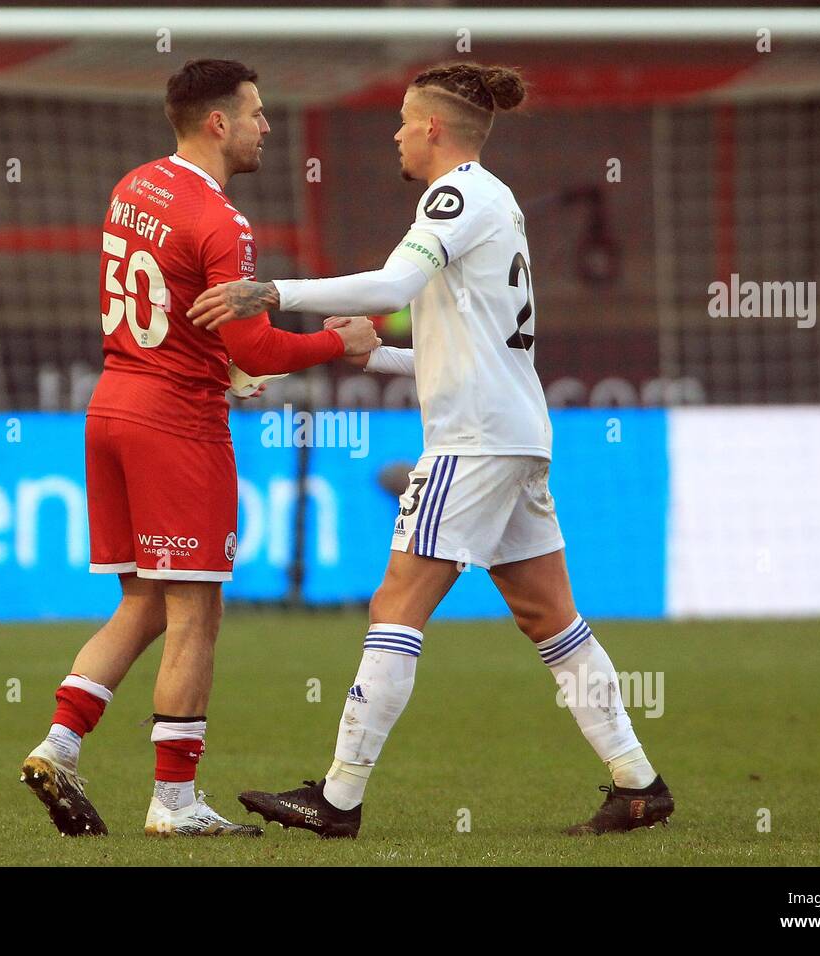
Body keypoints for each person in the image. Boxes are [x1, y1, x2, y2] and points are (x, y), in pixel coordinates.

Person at [189, 62, 674, 838]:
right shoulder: (498, 205)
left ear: (434, 130)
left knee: (395, 605)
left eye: (405, 121)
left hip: (473, 443)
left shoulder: (455, 195)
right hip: (516, 433)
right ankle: (638, 782)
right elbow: (467, 350)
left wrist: (275, 291)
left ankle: (339, 799)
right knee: (550, 614)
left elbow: (388, 287)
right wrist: (368, 356)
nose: (397, 134)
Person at [20, 58, 380, 837]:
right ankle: (175, 803)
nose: (266, 126)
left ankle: (59, 743)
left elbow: (184, 313)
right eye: (256, 112)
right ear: (217, 122)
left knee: (144, 602)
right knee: (197, 613)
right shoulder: (224, 222)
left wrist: (220, 363)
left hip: (113, 404)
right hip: (175, 425)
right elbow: (256, 337)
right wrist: (337, 340)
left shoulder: (134, 186)